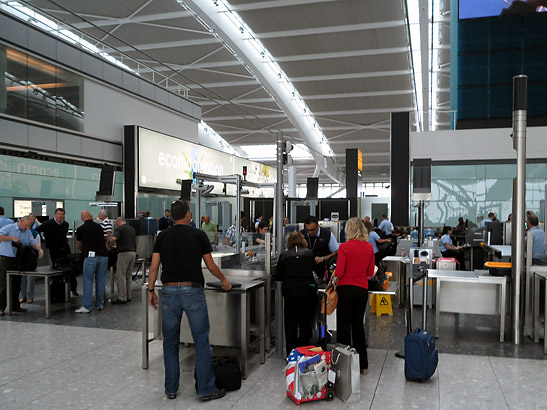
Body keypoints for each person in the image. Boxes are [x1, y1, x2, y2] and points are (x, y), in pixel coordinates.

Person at [147, 200, 231, 401]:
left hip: (167, 292)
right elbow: (210, 265)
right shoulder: (198, 235)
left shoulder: (162, 236)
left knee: (170, 342)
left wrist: (151, 290)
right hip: (192, 291)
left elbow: (153, 267)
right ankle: (205, 389)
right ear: (187, 215)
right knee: (201, 340)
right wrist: (224, 280)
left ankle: (171, 389)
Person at [334, 217, 375, 375]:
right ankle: (363, 365)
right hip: (361, 290)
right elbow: (370, 273)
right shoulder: (369, 248)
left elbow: (339, 272)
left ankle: (345, 364)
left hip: (345, 289)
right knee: (358, 326)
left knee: (344, 326)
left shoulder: (344, 247)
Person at [275, 232, 316, 354]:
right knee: (305, 322)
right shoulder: (309, 253)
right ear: (302, 241)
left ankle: (291, 354)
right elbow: (315, 269)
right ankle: (305, 352)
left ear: (289, 243)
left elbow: (278, 276)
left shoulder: (284, 256)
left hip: (290, 291)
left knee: (290, 323)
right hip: (308, 290)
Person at [0, 216, 44, 316]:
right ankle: (1, 307)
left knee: (16, 284)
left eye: (29, 226)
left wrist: (39, 249)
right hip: (6, 259)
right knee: (4, 284)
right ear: (21, 221)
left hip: (19, 260)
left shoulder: (27, 232)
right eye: (26, 225)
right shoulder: (8, 228)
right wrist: (11, 238)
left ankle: (15, 306)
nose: (27, 227)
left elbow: (33, 242)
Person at [75, 210, 108, 313]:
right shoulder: (99, 227)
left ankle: (87, 306)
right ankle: (100, 304)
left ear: (82, 218)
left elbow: (79, 243)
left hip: (90, 257)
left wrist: (83, 250)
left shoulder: (81, 229)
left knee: (88, 281)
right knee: (101, 280)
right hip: (103, 256)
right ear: (91, 216)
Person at [110, 217, 137, 304]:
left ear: (118, 222)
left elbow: (114, 238)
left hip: (124, 254)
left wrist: (110, 245)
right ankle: (128, 296)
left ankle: (122, 297)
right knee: (128, 276)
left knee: (121, 276)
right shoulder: (131, 228)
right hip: (133, 253)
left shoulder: (120, 229)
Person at [19, 213, 41, 304]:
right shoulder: (21, 232)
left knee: (30, 278)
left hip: (31, 258)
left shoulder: (35, 234)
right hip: (22, 258)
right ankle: (22, 295)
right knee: (22, 278)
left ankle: (29, 296)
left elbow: (37, 245)